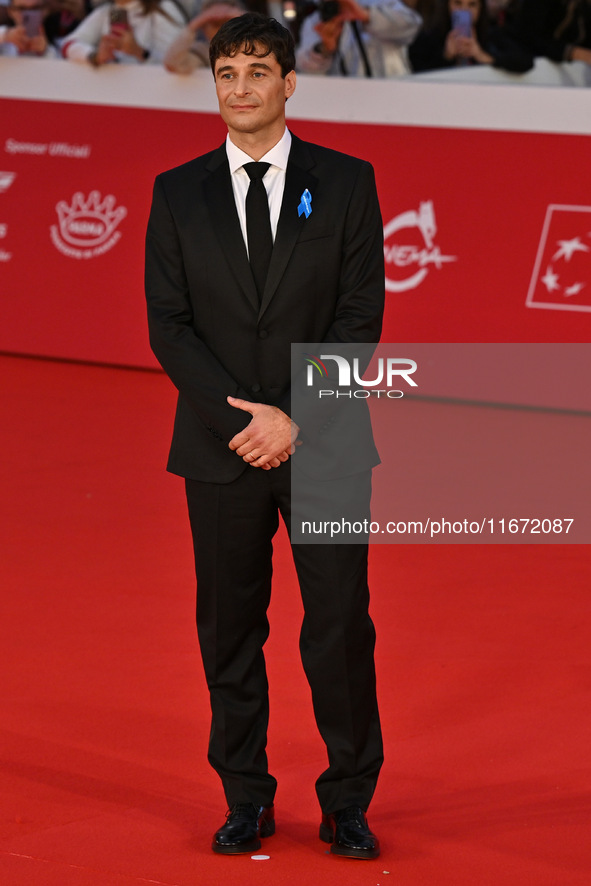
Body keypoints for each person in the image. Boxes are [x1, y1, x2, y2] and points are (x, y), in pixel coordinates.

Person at [145, 11, 385, 860]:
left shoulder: (347, 181)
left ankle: (348, 801)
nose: (239, 88)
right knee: (230, 628)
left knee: (337, 626)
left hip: (324, 443)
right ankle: (245, 796)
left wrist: (291, 417)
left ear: (288, 83)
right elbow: (169, 328)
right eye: (226, 74)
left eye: (256, 72)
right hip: (219, 448)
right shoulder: (177, 192)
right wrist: (242, 421)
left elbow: (360, 320)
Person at [296, 0, 422, 77]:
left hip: (392, 91)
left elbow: (411, 26)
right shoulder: (315, 21)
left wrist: (366, 15)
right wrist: (325, 48)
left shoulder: (381, 3)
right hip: (346, 101)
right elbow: (307, 72)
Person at [409, 0, 533, 73]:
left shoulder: (492, 35)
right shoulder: (427, 37)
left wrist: (483, 56)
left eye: (472, 5)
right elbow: (416, 71)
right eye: (458, 3)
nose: (464, 10)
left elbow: (525, 61)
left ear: (481, 9)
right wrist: (446, 56)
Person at [62, 0, 187, 65]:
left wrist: (138, 52)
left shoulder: (163, 9)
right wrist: (95, 56)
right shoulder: (107, 11)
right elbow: (68, 45)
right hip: (114, 96)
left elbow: (176, 63)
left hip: (153, 101)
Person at [164, 0, 243, 74]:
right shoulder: (203, 51)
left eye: (229, 22)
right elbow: (173, 65)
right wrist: (195, 24)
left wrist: (245, 19)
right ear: (204, 28)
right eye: (215, 23)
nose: (222, 29)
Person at [513, 0, 591, 66]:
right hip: (526, 64)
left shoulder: (582, 5)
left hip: (566, 69)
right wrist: (572, 52)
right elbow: (528, 35)